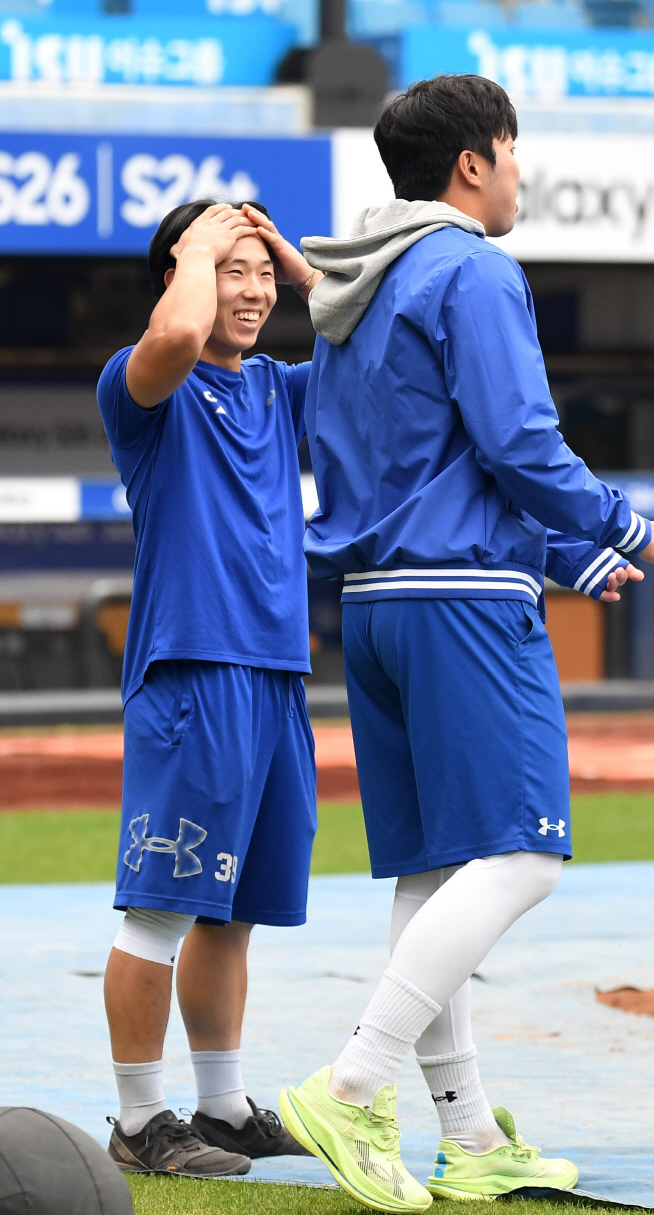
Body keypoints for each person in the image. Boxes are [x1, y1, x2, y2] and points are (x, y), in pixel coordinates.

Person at [279, 74, 654, 1212]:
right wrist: (632, 529)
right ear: (474, 163)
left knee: (435, 872)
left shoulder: (353, 292)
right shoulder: (473, 266)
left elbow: (435, 457)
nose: (520, 173)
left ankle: (469, 1138)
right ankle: (353, 1083)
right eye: (514, 153)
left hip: (375, 609)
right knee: (522, 855)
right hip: (464, 605)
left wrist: (570, 557)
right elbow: (518, 442)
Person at [97, 198, 325, 1176]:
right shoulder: (143, 383)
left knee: (232, 912)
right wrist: (202, 246)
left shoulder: (278, 386)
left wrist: (286, 254)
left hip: (276, 677)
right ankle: (140, 1120)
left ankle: (222, 1106)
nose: (254, 286)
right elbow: (180, 330)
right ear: (181, 271)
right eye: (233, 267)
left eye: (262, 269)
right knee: (160, 908)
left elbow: (379, 342)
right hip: (192, 674)